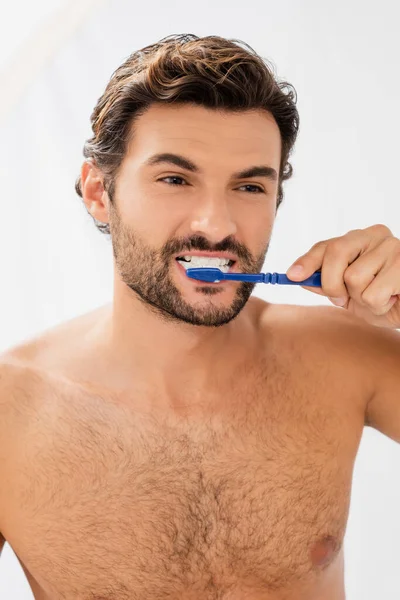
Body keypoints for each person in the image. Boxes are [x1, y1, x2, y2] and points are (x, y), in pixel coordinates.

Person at [1, 33, 399, 600]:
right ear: (97, 192)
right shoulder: (8, 415)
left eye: (249, 185)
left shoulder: (347, 355)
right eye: (174, 179)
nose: (216, 224)